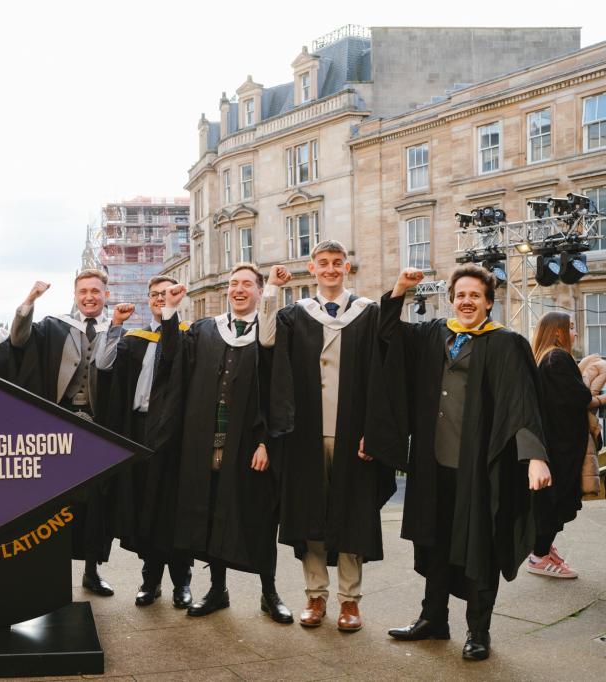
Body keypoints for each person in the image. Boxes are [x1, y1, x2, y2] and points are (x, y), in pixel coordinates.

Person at [376, 265, 552, 661]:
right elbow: (387, 333)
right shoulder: (435, 333)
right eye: (461, 295)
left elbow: (523, 403)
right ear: (451, 299)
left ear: (489, 302)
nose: (467, 301)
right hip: (433, 463)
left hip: (480, 467)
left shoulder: (505, 343)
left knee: (480, 547)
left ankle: (478, 631)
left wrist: (535, 456)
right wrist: (400, 290)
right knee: (434, 540)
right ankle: (433, 619)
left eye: (475, 295)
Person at [263, 241, 395, 632]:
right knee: (310, 514)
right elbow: (266, 339)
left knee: (352, 513)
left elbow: (384, 375)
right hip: (306, 433)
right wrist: (271, 287)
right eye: (324, 263)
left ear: (347, 267)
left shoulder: (368, 314)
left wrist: (374, 432)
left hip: (352, 432)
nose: (331, 269)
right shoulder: (295, 314)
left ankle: (350, 601)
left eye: (337, 263)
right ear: (312, 268)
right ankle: (315, 595)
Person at [152, 263, 292, 623]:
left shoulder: (271, 333)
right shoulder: (204, 330)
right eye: (233, 284)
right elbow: (170, 359)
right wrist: (170, 311)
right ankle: (217, 590)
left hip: (250, 446)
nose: (238, 289)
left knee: (260, 517)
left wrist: (267, 443)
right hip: (205, 443)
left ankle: (269, 593)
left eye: (247, 284)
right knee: (212, 513)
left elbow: (277, 390)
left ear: (259, 292)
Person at [10, 269, 128, 596]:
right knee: (55, 499)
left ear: (105, 294)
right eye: (83, 291)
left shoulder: (117, 329)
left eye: (95, 291)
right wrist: (30, 300)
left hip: (98, 425)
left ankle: (92, 569)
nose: (89, 296)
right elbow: (18, 339)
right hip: (58, 423)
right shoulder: (53, 326)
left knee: (95, 502)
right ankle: (52, 569)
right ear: (75, 295)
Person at [94, 275, 193, 608]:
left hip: (175, 434)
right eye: (154, 295)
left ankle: (182, 583)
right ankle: (150, 581)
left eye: (166, 294)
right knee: (146, 508)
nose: (159, 299)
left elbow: (171, 359)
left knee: (173, 509)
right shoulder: (134, 338)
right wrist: (115, 324)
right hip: (138, 427)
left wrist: (172, 314)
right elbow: (104, 365)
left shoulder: (187, 335)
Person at [527, 312, 592, 578]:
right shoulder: (559, 358)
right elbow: (580, 396)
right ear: (557, 332)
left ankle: (542, 550)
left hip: (552, 443)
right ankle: (539, 556)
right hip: (561, 446)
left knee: (549, 500)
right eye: (571, 328)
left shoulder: (543, 358)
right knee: (556, 501)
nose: (575, 333)